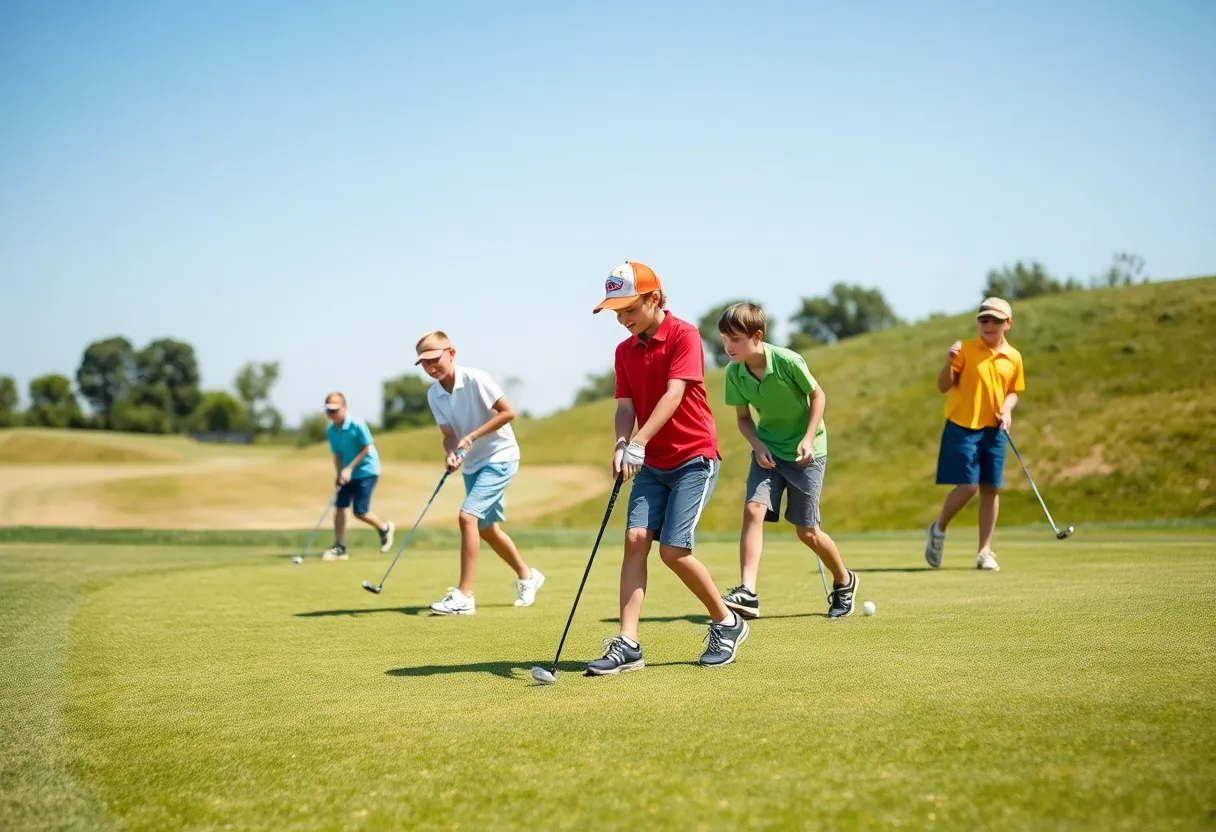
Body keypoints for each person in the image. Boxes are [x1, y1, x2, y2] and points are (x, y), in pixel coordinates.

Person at [585, 261, 749, 676]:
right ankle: (628, 644)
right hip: (651, 463)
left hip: (694, 458)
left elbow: (675, 393)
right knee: (636, 538)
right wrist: (623, 442)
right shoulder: (624, 351)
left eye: (629, 310)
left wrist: (638, 442)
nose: (623, 321)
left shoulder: (684, 335)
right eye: (617, 314)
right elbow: (625, 406)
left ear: (654, 298)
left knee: (674, 551)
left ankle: (726, 622)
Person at [715, 302, 858, 619]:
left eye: (735, 339)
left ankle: (844, 580)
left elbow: (817, 396)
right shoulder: (734, 373)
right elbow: (743, 418)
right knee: (753, 508)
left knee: (806, 532)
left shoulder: (788, 361)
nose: (728, 346)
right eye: (725, 339)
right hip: (768, 452)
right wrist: (756, 444)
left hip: (807, 453)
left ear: (757, 336)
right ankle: (748, 591)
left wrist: (808, 438)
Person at [415, 331, 544, 614]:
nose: (431, 366)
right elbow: (448, 433)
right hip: (473, 464)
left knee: (467, 517)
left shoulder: (476, 379)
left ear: (451, 353)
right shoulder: (434, 393)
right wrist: (452, 452)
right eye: (424, 363)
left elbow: (507, 413)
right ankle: (528, 576)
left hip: (501, 457)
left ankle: (464, 595)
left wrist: (471, 437)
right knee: (487, 529)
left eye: (435, 359)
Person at [924, 297, 1026, 572]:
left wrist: (1007, 410)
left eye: (995, 320)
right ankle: (939, 528)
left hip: (994, 430)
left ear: (1008, 324)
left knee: (990, 488)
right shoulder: (966, 350)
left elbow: (1013, 391)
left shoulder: (1013, 356)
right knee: (968, 486)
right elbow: (943, 386)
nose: (988, 324)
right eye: (983, 320)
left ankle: (984, 551)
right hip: (963, 426)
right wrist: (949, 362)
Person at [321, 392, 394, 560]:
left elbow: (366, 448)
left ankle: (384, 528)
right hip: (347, 472)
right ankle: (339, 546)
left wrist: (349, 469)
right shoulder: (331, 430)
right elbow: (338, 454)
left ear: (344, 408)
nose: (331, 414)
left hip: (367, 470)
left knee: (360, 511)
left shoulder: (357, 424)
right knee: (340, 506)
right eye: (328, 411)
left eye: (335, 410)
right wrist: (339, 473)